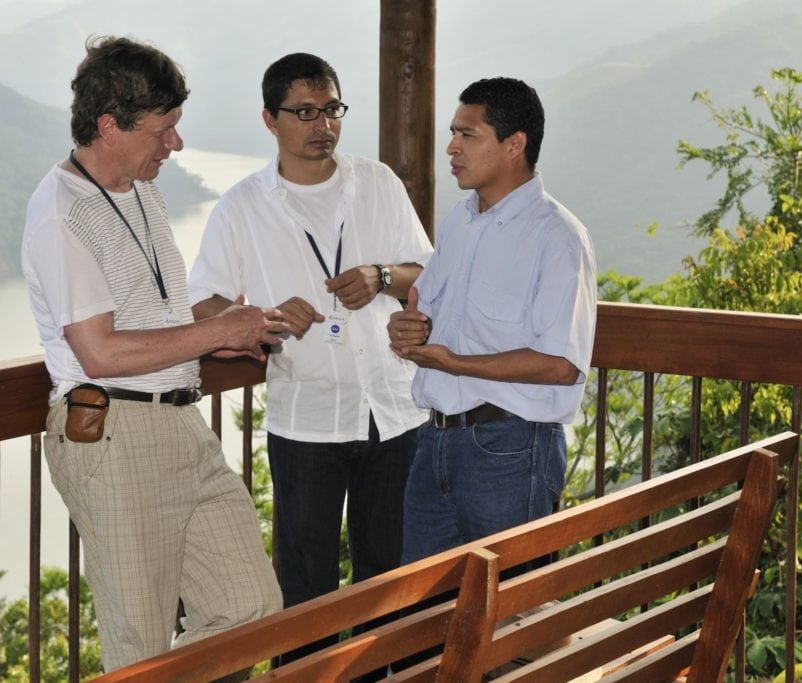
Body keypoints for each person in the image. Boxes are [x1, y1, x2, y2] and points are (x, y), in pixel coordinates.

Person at [20, 36, 284, 673]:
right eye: (163, 130)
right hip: (113, 434)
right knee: (139, 642)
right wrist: (218, 332)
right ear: (110, 125)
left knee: (253, 607)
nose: (176, 145)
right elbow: (101, 352)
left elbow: (155, 320)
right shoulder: (63, 215)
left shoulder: (143, 192)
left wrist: (225, 325)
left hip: (179, 423)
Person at [187, 52, 433, 668]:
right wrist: (264, 319)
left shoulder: (376, 181)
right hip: (306, 419)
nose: (321, 125)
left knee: (392, 575)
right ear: (270, 120)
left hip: (394, 411)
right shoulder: (242, 205)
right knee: (306, 585)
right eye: (304, 112)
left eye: (331, 110)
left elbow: (426, 273)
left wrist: (380, 276)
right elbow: (203, 303)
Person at [389, 76, 597, 566]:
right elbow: (429, 318)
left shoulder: (557, 236)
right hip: (435, 438)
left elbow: (561, 365)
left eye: (467, 135)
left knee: (510, 616)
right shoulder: (460, 221)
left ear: (514, 145)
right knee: (418, 616)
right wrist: (408, 329)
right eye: (453, 133)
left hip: (509, 446)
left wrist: (457, 364)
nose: (451, 147)